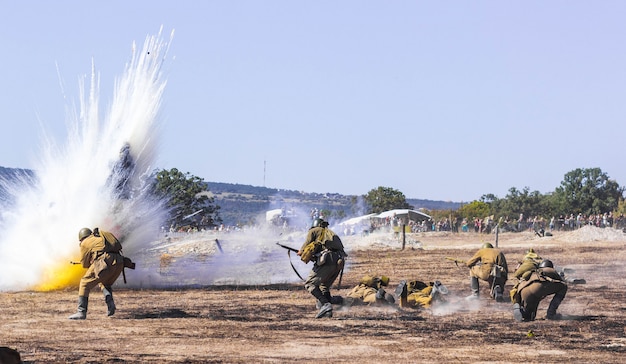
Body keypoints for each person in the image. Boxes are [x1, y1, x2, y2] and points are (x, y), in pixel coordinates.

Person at [68, 227, 125, 320]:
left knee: (84, 283)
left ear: (81, 238)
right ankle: (110, 304)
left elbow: (84, 264)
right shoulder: (98, 238)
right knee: (104, 282)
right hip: (119, 262)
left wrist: (91, 261)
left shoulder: (85, 242)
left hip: (105, 261)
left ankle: (81, 312)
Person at [297, 218, 347, 319]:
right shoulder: (330, 233)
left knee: (310, 284)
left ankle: (325, 305)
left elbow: (303, 249)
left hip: (328, 260)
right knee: (324, 286)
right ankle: (330, 306)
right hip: (339, 262)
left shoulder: (314, 231)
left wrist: (301, 252)